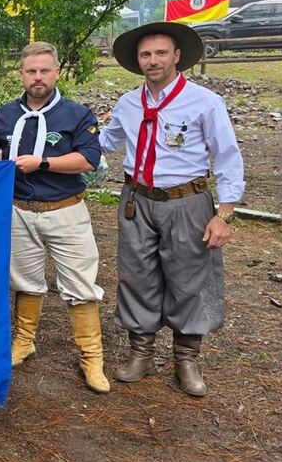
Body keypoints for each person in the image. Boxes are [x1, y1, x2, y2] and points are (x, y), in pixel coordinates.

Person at [100, 22, 244, 397]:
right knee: (136, 274)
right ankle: (141, 353)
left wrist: (224, 213)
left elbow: (228, 156)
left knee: (189, 277)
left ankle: (186, 359)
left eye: (161, 53)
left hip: (186, 201)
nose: (153, 61)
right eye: (146, 54)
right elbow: (105, 142)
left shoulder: (204, 102)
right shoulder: (129, 103)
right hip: (137, 200)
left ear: (177, 56)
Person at [0, 42, 108, 393]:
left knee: (80, 285)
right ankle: (24, 340)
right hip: (19, 210)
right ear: (21, 74)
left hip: (65, 208)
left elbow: (89, 160)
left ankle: (91, 357)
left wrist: (45, 163)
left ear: (56, 73)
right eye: (31, 71)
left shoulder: (77, 114)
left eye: (44, 71)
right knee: (24, 280)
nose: (37, 77)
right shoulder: (5, 114)